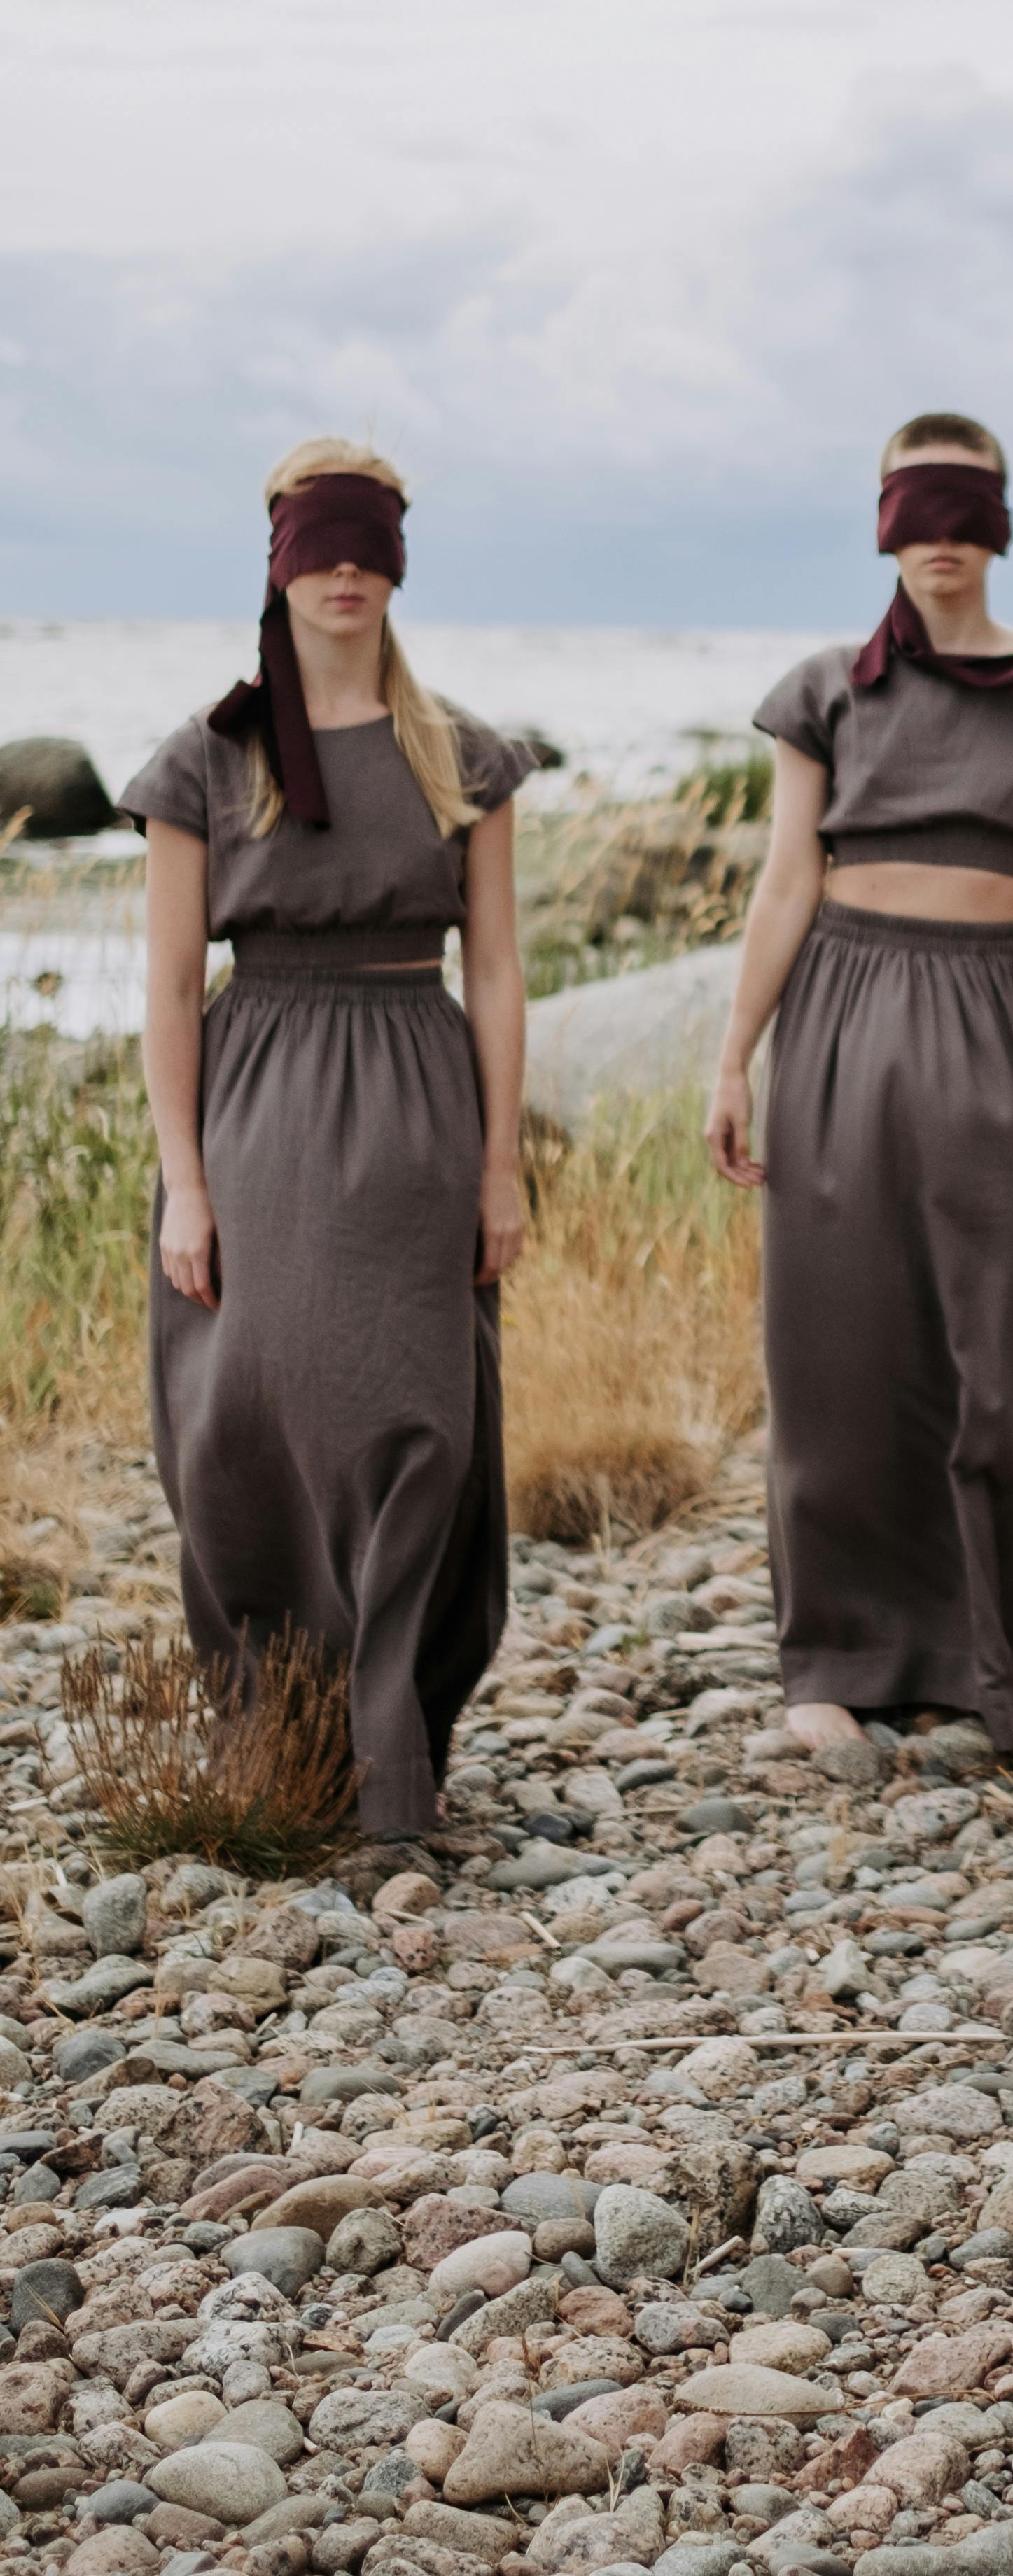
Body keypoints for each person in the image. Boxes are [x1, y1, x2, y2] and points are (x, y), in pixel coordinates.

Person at [123, 442, 532, 1849]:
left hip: (418, 1100)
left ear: (396, 562)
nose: (345, 569)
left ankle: (393, 1766)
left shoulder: (463, 756)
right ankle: (279, 1740)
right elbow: (172, 986)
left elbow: (500, 971)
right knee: (241, 1422)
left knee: (415, 1420)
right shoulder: (206, 759)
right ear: (282, 559)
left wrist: (500, 1165)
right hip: (260, 1111)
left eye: (368, 545)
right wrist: (185, 1180)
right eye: (321, 545)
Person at [707, 414, 1013, 1761]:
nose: (941, 540)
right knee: (837, 1348)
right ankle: (836, 1652)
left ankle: (984, 1649)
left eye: (965, 512)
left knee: (1002, 1354)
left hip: (1003, 1013)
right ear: (883, 519)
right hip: (839, 1009)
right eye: (915, 512)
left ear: (1000, 520)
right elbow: (784, 880)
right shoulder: (826, 686)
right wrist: (732, 1056)